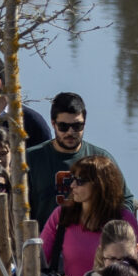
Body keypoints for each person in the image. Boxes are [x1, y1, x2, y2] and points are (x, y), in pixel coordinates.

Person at [24, 92, 109, 223]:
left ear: (84, 123)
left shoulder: (101, 158)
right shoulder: (30, 159)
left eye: (77, 126)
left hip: (87, 240)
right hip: (42, 240)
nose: (70, 132)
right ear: (53, 124)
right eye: (63, 126)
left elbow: (124, 200)